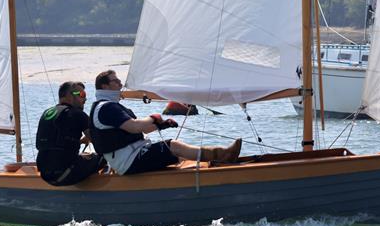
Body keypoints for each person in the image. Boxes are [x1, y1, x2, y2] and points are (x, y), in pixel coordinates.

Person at [88, 70, 241, 175]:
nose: (120, 84)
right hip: (128, 161)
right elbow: (134, 127)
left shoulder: (111, 106)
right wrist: (153, 118)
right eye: (116, 81)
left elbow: (143, 130)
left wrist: (162, 124)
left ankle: (215, 157)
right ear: (105, 86)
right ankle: (222, 155)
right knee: (174, 146)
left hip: (131, 156)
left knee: (178, 154)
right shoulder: (106, 108)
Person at [35, 81, 103, 186]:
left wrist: (81, 141)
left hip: (45, 175)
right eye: (81, 95)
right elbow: (100, 143)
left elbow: (57, 138)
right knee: (103, 157)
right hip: (66, 173)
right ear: (69, 96)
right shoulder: (79, 114)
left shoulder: (47, 113)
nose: (85, 99)